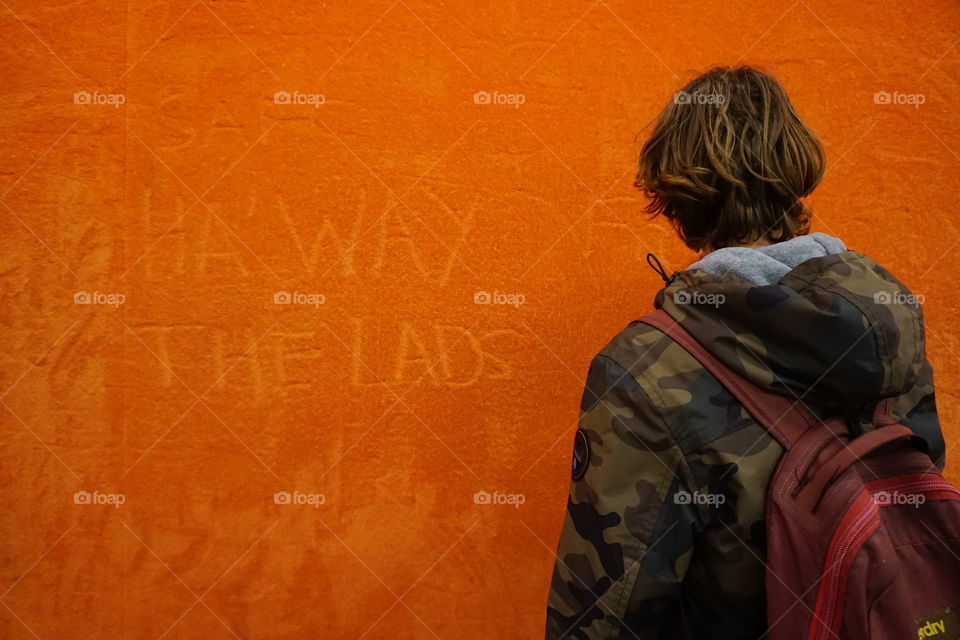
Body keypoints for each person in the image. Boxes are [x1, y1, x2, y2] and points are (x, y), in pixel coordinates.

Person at [544, 66, 945, 640]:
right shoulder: (889, 313)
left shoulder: (646, 364)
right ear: (794, 170)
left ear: (676, 197)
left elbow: (607, 605)